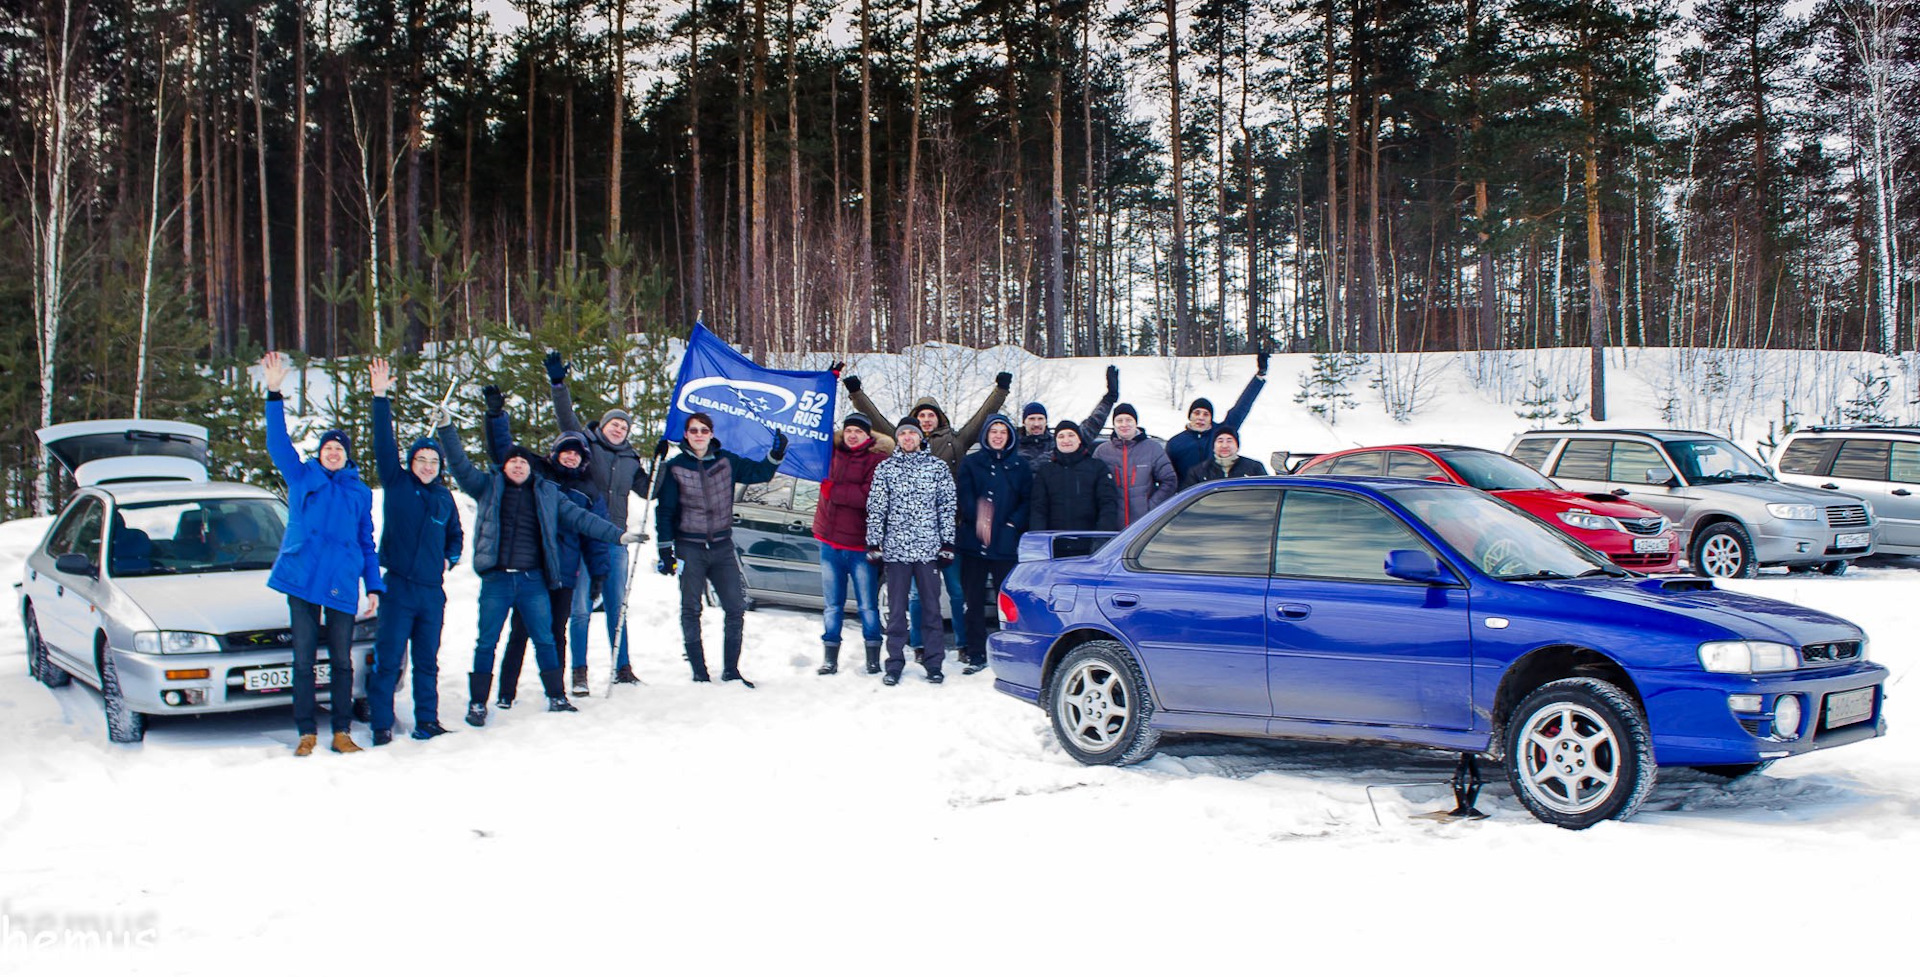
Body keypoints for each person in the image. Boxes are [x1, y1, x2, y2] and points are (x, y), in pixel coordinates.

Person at [436, 411, 643, 726]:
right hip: (498, 580)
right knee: (488, 640)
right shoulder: (490, 486)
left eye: (522, 461)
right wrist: (448, 428)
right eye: (513, 461)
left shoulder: (548, 492)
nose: (519, 465)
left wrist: (618, 535)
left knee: (547, 638)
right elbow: (460, 464)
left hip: (535, 578)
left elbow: (583, 519)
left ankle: (556, 695)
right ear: (507, 465)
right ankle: (480, 701)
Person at [259, 351, 384, 757]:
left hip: (342, 582)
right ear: (321, 452)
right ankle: (306, 731)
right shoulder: (301, 476)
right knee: (303, 659)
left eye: (340, 449)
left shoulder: (359, 492)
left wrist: (374, 584)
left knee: (344, 661)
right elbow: (277, 443)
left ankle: (342, 731)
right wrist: (274, 392)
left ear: (348, 455)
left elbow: (367, 540)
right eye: (328, 447)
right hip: (302, 577)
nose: (333, 452)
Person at [842, 369, 1013, 657]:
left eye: (931, 415)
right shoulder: (903, 441)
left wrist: (1000, 390)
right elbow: (876, 418)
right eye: (921, 416)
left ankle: (960, 644)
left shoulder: (956, 442)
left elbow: (983, 417)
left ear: (939, 418)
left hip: (949, 530)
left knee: (957, 592)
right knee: (917, 595)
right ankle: (919, 644)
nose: (926, 420)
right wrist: (856, 393)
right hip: (913, 535)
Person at [481, 389, 617, 708]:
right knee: (520, 631)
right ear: (555, 453)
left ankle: (556, 693)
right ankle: (506, 692)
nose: (571, 457)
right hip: (531, 568)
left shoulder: (588, 491)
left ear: (583, 458)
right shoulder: (536, 473)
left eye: (577, 453)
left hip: (564, 574)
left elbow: (594, 537)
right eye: (565, 451)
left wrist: (599, 574)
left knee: (556, 631)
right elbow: (504, 452)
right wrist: (496, 416)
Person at [366, 359, 465, 746]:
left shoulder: (444, 498)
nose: (426, 466)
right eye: (421, 460)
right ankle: (381, 724)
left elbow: (456, 537)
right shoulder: (397, 483)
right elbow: (382, 443)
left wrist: (450, 558)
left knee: (427, 662)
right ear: (411, 463)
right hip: (399, 588)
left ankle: (428, 720)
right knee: (388, 659)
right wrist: (380, 397)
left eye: (433, 461)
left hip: (431, 592)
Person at [544, 351, 655, 689]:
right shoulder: (586, 445)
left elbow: (649, 492)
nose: (618, 429)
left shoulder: (631, 459)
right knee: (579, 609)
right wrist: (558, 384)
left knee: (615, 606)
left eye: (623, 426)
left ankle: (622, 668)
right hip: (579, 539)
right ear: (603, 426)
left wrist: (663, 460)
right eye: (614, 424)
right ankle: (579, 670)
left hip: (614, 539)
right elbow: (566, 418)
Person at [655, 412, 786, 686]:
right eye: (694, 431)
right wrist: (665, 550)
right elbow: (664, 511)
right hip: (689, 547)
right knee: (691, 608)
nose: (699, 435)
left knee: (735, 606)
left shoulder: (727, 461)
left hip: (722, 547)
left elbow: (758, 473)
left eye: (704, 430)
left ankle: (731, 671)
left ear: (712, 434)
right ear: (686, 435)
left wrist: (776, 453)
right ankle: (699, 672)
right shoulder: (676, 467)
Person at [867, 417, 957, 685]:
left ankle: (934, 663)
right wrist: (874, 543)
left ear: (921, 438)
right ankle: (894, 663)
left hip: (928, 550)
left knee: (931, 610)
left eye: (912, 433)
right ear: (898, 438)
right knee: (896, 613)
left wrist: (947, 543)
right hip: (896, 552)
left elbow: (947, 507)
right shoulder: (886, 469)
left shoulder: (937, 468)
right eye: (903, 433)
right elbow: (876, 507)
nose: (908, 437)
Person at [812, 413, 891, 676]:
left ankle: (872, 657)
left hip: (859, 546)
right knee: (832, 605)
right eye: (849, 431)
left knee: (867, 606)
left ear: (868, 436)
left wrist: (832, 491)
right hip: (830, 543)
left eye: (858, 431)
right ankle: (830, 658)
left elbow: (867, 495)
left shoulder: (877, 460)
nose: (853, 435)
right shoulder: (830, 453)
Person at [954, 413, 1031, 675]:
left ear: (1009, 437)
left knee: (1007, 603)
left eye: (1003, 432)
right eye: (993, 431)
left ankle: (1010, 654)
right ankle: (975, 652)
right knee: (973, 601)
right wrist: (980, 518)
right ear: (986, 435)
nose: (998, 435)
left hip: (1005, 547)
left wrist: (1010, 526)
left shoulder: (1020, 466)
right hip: (974, 544)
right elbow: (964, 496)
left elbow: (1026, 502)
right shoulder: (971, 463)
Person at [1165, 348, 1270, 482]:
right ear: (1190, 416)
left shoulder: (1220, 433)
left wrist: (1259, 377)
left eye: (1206, 414)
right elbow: (1168, 476)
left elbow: (1242, 407)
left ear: (1211, 418)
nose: (1201, 417)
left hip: (1219, 494)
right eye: (1197, 413)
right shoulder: (1175, 443)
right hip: (1189, 498)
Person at [1092, 403, 1179, 527]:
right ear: (1114, 424)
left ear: (1136, 422)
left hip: (1143, 524)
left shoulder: (1152, 448)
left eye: (1128, 420)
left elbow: (1169, 480)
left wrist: (1152, 507)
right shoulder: (1102, 451)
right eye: (1119, 420)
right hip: (1112, 525)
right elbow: (1093, 485)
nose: (1124, 424)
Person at [1015, 365, 1120, 464]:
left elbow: (1091, 425)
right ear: (1024, 422)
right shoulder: (1013, 445)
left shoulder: (1059, 443)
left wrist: (1109, 399)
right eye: (1032, 419)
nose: (1036, 423)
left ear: (1046, 421)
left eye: (1040, 419)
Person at [1029, 421, 1121, 533]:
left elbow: (1108, 505)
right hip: (1055, 542)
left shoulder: (1097, 467)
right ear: (1056, 441)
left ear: (1079, 439)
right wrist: (1039, 539)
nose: (1066, 440)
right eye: (1061, 436)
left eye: (1071, 435)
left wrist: (1101, 537)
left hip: (1090, 542)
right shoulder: (1045, 471)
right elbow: (1038, 509)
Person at [1180, 427, 1270, 487]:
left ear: (1237, 446)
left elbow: (1267, 494)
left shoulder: (1254, 468)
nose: (1224, 445)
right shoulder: (1198, 472)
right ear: (1213, 446)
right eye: (1220, 441)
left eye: (1229, 441)